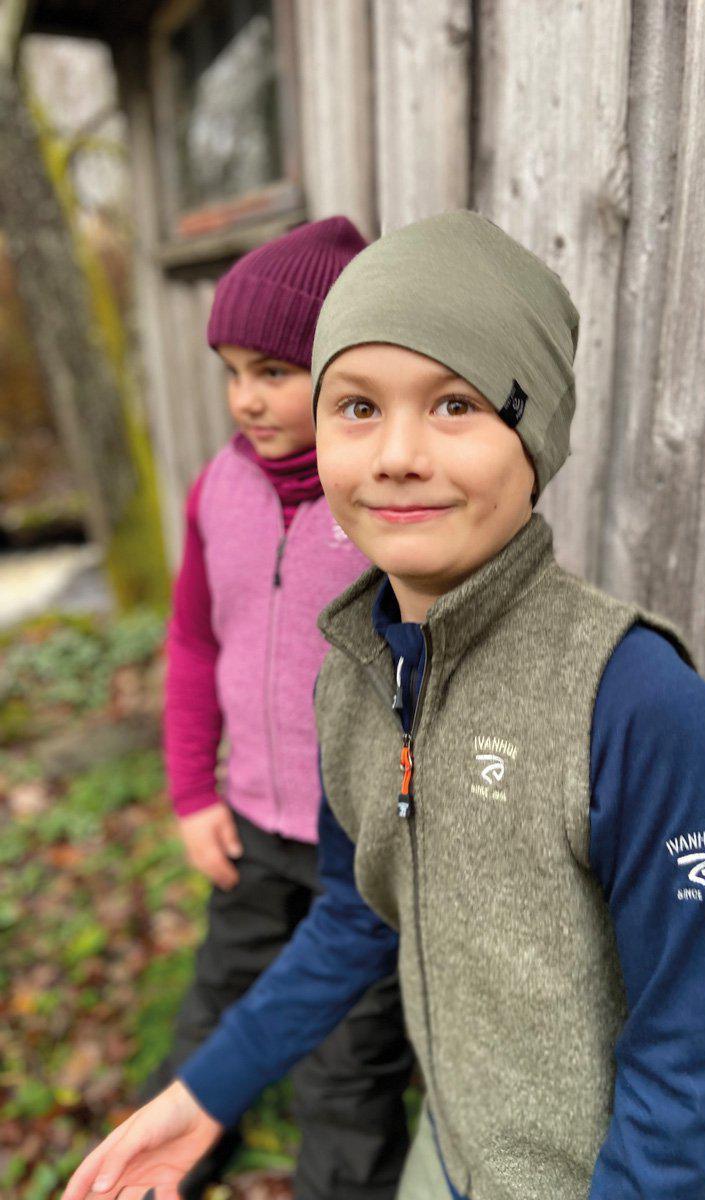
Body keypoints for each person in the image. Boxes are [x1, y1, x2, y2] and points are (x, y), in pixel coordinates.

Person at [63, 210, 705, 1200]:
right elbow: (356, 914)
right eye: (357, 406)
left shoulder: (640, 706)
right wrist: (208, 1090)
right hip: (453, 1151)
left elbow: (685, 1057)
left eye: (454, 404)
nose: (396, 453)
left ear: (534, 433)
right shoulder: (352, 680)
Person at [139, 216, 414, 1200]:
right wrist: (191, 794)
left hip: (363, 848)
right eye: (231, 372)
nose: (245, 399)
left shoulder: (384, 505)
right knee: (218, 1005)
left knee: (350, 1062)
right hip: (252, 825)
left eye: (273, 372)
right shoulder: (218, 489)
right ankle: (154, 1170)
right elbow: (193, 643)